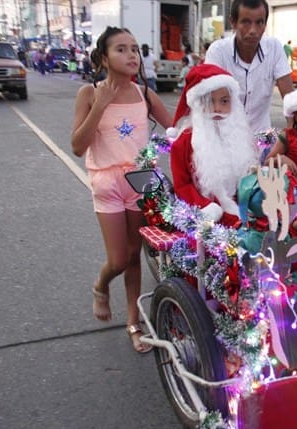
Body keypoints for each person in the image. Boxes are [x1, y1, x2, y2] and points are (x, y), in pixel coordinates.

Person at [71, 26, 172, 353]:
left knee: (133, 255)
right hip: (107, 182)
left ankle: (133, 321)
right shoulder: (89, 93)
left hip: (141, 181)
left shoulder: (145, 94)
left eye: (134, 49)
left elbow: (176, 132)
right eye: (121, 49)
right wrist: (101, 105)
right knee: (117, 258)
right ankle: (101, 284)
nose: (131, 55)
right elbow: (77, 146)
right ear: (103, 57)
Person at [166, 63, 259, 228]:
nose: (217, 109)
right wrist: (206, 207)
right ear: (197, 104)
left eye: (224, 101)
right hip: (207, 219)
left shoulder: (240, 136)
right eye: (209, 101)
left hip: (244, 211)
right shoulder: (184, 143)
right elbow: (182, 185)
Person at [204, 0, 293, 133]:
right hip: (224, 138)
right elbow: (211, 100)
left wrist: (293, 137)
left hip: (261, 139)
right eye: (246, 22)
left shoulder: (274, 48)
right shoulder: (218, 52)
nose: (253, 30)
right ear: (233, 22)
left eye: (259, 22)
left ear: (265, 24)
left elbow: (289, 99)